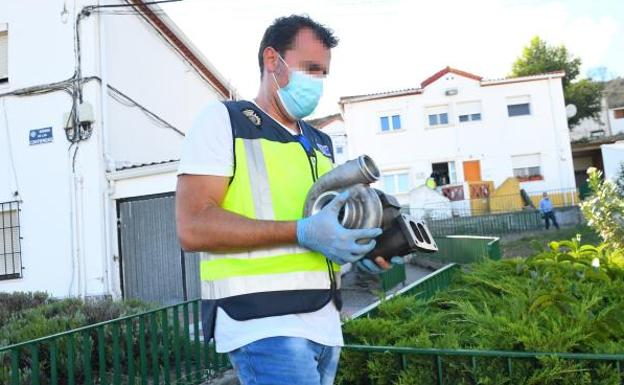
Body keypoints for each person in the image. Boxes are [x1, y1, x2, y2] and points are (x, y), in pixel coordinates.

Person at [175, 15, 401, 385]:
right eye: (309, 68)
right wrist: (301, 231)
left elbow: (326, 229)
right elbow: (193, 226)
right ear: (271, 60)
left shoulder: (320, 142)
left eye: (323, 73)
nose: (317, 82)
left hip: (325, 323)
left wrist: (365, 253)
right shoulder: (225, 121)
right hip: (262, 323)